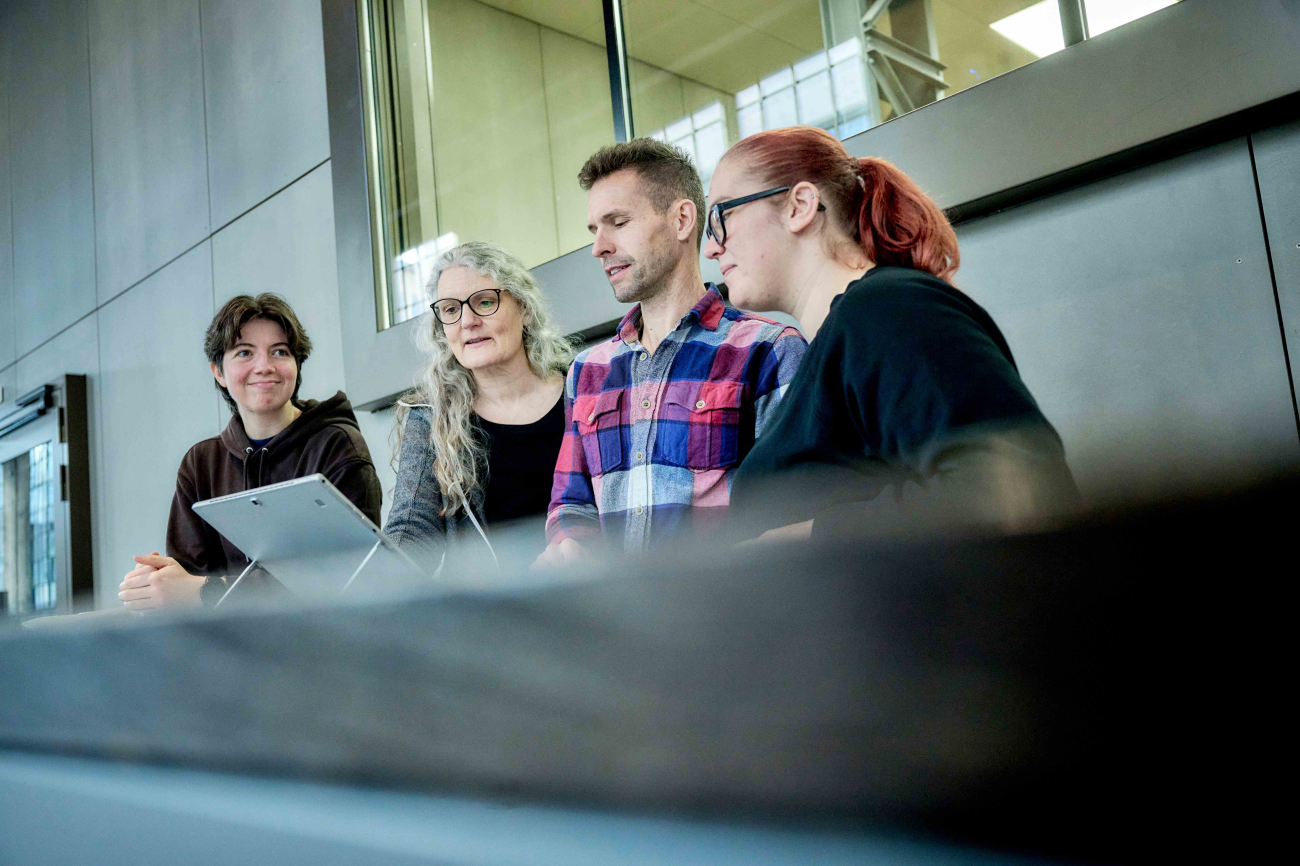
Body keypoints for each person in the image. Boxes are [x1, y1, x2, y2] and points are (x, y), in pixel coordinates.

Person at [703, 126, 1078, 542]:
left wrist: (802, 541)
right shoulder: (848, 335)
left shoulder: (887, 309)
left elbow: (1016, 491)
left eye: (722, 215)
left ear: (800, 206)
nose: (711, 248)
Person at [535, 138, 807, 567]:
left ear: (682, 220)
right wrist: (571, 548)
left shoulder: (769, 351)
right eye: (594, 230)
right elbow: (571, 504)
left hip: (726, 622)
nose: (598, 247)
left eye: (617, 222)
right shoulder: (587, 370)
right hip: (616, 626)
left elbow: (795, 515)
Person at [118, 294, 383, 610]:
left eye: (280, 352)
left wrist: (204, 592)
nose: (264, 367)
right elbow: (190, 580)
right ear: (218, 371)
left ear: (296, 364)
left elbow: (340, 575)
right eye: (245, 353)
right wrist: (159, 583)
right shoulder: (200, 463)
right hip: (233, 649)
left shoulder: (337, 446)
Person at [384, 241, 574, 574]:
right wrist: (380, 577)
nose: (467, 321)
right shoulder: (431, 416)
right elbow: (413, 528)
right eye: (451, 310)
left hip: (590, 600)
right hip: (492, 616)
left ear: (524, 309)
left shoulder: (583, 389)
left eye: (484, 302)